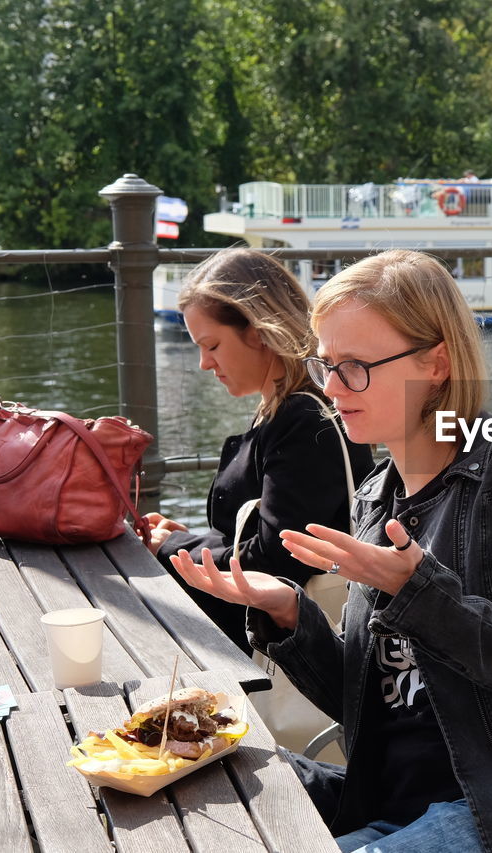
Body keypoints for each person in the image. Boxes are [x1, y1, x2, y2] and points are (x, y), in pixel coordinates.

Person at [169, 249, 492, 853]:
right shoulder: (375, 495)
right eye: (326, 364)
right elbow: (372, 705)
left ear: (436, 363)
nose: (331, 387)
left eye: (354, 367)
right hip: (390, 801)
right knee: (186, 787)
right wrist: (290, 614)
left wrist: (420, 593)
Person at [143, 249, 375, 652]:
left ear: (258, 330)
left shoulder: (305, 420)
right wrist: (192, 541)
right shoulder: (282, 411)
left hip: (289, 656)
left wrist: (169, 548)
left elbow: (273, 563)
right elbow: (261, 535)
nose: (203, 363)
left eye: (211, 345)